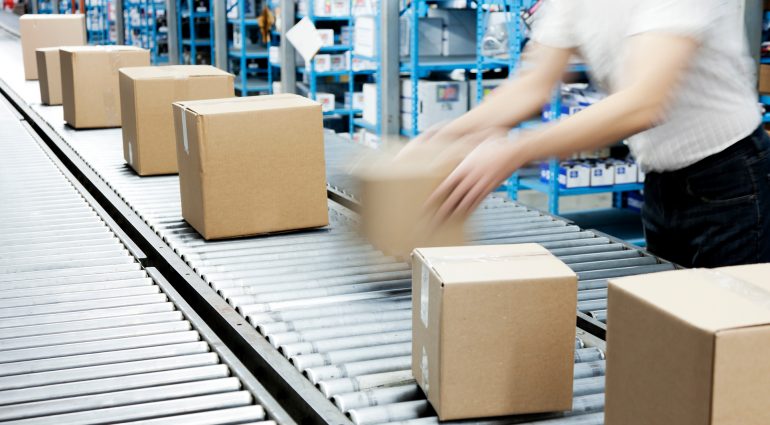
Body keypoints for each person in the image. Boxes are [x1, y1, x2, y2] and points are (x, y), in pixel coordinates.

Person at [416, 0, 770, 268]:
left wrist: (514, 150)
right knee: (676, 334)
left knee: (730, 343)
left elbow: (643, 102)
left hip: (731, 180)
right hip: (661, 180)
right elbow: (533, 84)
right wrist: (447, 134)